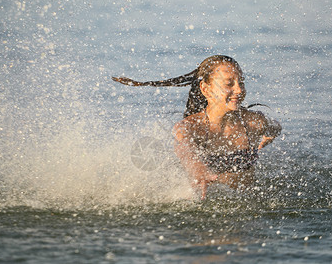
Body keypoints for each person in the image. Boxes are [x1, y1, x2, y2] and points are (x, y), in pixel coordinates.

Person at [112, 55, 281, 199]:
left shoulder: (252, 122)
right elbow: (184, 149)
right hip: (202, 201)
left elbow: (274, 126)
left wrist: (269, 136)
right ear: (205, 89)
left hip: (245, 204)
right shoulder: (191, 127)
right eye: (229, 84)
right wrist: (199, 170)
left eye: (241, 83)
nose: (239, 90)